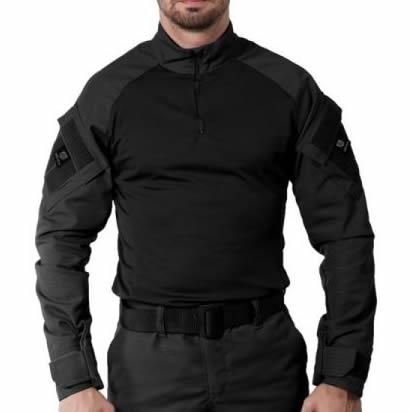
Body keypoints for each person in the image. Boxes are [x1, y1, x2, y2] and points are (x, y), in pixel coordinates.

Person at [34, 1, 376, 411]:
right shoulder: (106, 96)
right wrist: (74, 380)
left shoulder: (291, 89)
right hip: (150, 371)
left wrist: (342, 375)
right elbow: (61, 238)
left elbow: (345, 234)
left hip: (265, 366)